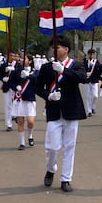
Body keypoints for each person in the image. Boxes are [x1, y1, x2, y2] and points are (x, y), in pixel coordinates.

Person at [35, 35, 88, 192]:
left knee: (69, 146)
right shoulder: (46, 67)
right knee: (51, 146)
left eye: (58, 47)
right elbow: (38, 87)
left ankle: (66, 178)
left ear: (66, 49)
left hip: (72, 110)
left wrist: (64, 71)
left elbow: (83, 78)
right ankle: (51, 169)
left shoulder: (76, 65)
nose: (54, 49)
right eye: (53, 47)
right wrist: (48, 96)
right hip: (54, 110)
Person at [10, 53, 38, 150]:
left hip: (30, 99)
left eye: (24, 58)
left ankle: (30, 136)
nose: (22, 60)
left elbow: (38, 82)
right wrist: (15, 87)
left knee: (30, 122)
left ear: (30, 61)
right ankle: (22, 143)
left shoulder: (35, 72)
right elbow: (11, 82)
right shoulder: (17, 71)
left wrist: (29, 76)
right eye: (21, 58)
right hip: (19, 99)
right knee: (20, 121)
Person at [0, 51, 20, 131]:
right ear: (7, 56)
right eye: (11, 55)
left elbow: (20, 75)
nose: (12, 57)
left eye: (14, 56)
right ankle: (9, 124)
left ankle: (16, 116)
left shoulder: (18, 65)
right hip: (7, 87)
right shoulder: (4, 65)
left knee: (16, 104)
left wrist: (14, 70)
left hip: (15, 88)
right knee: (7, 106)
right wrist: (3, 78)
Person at [82, 48, 101, 117]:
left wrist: (94, 66)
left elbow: (99, 69)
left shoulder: (96, 62)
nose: (91, 55)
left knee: (95, 95)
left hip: (94, 80)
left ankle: (93, 107)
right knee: (87, 96)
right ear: (88, 55)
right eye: (90, 54)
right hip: (87, 81)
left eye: (92, 54)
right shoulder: (84, 62)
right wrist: (86, 72)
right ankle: (89, 111)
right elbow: (82, 69)